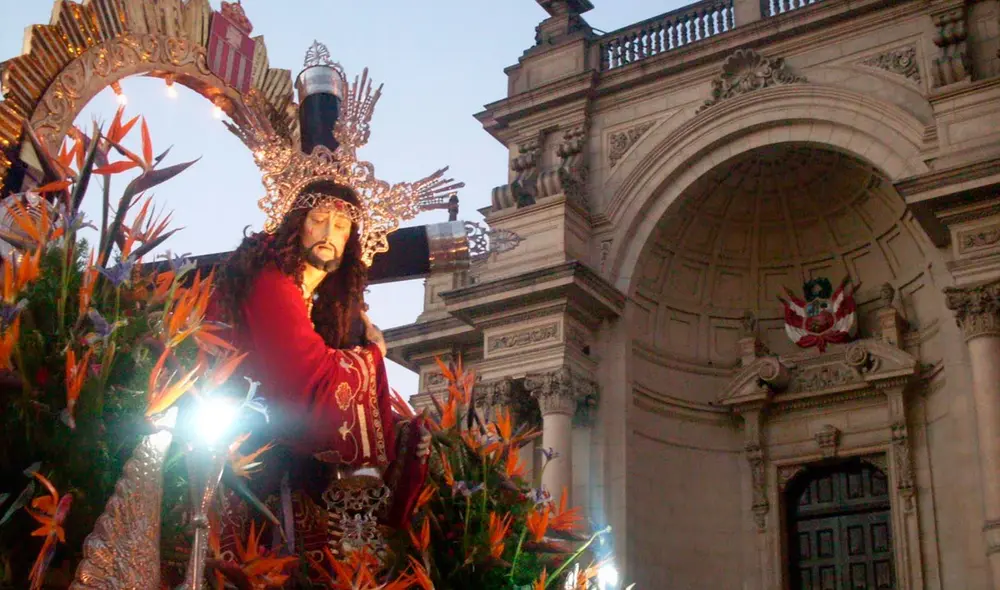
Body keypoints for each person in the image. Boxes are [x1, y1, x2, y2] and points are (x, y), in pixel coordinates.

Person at [208, 178, 431, 576]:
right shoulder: (269, 281)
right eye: (320, 219)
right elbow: (304, 378)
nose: (330, 233)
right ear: (298, 224)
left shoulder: (323, 307)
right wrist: (373, 357)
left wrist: (401, 433)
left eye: (342, 227)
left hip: (297, 475)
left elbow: (337, 399)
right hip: (248, 466)